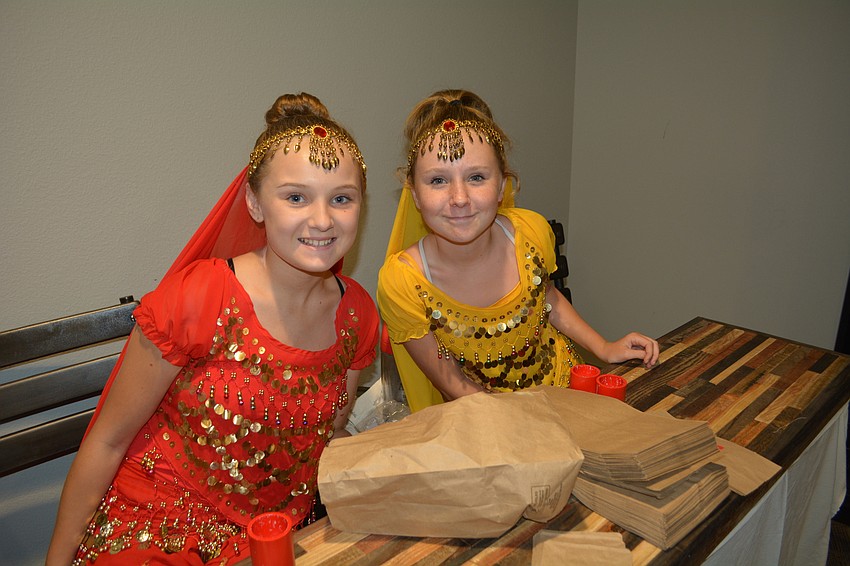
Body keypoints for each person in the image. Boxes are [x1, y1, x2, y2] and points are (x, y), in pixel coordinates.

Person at [47, 93, 378, 565]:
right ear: (255, 204)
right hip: (160, 527)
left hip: (277, 536)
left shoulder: (358, 315)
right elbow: (108, 440)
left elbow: (331, 433)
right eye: (296, 197)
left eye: (341, 198)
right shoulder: (200, 297)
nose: (322, 219)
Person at [377, 89, 658, 413]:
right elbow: (450, 381)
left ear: (501, 186)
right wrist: (515, 421)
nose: (459, 198)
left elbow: (548, 299)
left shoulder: (531, 233)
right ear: (414, 193)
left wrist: (604, 347)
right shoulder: (403, 282)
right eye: (438, 180)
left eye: (476, 177)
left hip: (567, 395)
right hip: (490, 418)